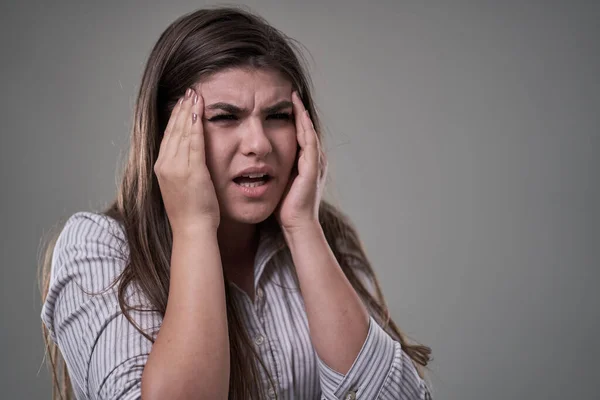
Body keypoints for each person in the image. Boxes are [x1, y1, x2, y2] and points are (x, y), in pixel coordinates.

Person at [39, 6, 433, 400]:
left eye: (278, 116)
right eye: (226, 117)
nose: (259, 144)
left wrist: (303, 227)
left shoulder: (326, 236)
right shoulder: (98, 249)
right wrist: (195, 229)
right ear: (167, 134)